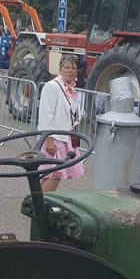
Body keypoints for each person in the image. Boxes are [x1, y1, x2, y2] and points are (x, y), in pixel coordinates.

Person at [37, 54, 84, 192]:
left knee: (49, 174)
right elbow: (45, 114)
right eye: (66, 67)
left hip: (65, 137)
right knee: (55, 175)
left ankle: (37, 205)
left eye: (73, 68)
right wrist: (49, 140)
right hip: (54, 137)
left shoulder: (70, 89)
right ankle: (41, 206)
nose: (70, 70)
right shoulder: (52, 86)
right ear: (60, 69)